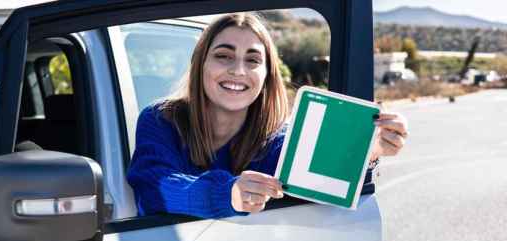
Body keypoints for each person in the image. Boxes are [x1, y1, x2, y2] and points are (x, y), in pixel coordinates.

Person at [126, 13, 408, 218]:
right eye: (224, 55)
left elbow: (325, 193)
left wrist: (366, 152)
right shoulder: (161, 120)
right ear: (200, 64)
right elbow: (154, 187)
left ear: (266, 76)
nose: (238, 70)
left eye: (252, 60)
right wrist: (229, 193)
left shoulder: (280, 141)